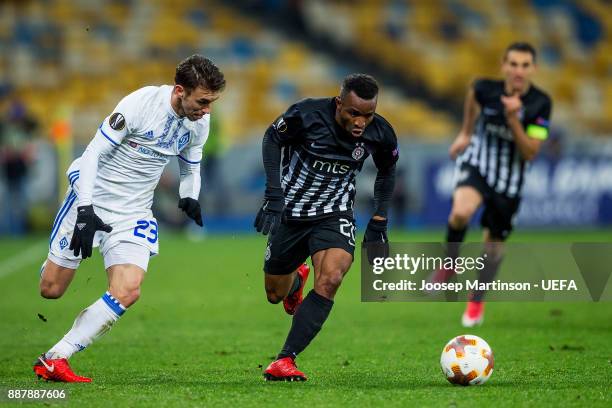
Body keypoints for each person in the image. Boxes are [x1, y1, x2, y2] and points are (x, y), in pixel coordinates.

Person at [33, 55, 225, 382]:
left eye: (212, 102)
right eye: (203, 101)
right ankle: (58, 253)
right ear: (180, 91)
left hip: (134, 212)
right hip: (91, 196)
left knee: (128, 289)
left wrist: (189, 195)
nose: (207, 110)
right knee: (51, 289)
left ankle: (55, 357)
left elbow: (190, 167)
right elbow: (93, 153)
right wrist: (85, 209)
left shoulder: (199, 122)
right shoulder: (140, 104)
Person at [254, 74, 399, 381]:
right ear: (339, 104)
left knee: (332, 277)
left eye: (368, 115)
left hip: (335, 214)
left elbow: (387, 171)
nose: (361, 122)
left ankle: (285, 360)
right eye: (353, 113)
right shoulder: (306, 115)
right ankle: (295, 283)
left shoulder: (381, 132)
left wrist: (380, 218)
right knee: (273, 293)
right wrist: (273, 193)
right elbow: (271, 138)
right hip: (291, 214)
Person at [433, 42, 552, 327]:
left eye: (525, 65)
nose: (519, 71)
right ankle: (449, 264)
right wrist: (465, 133)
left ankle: (476, 300)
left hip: (509, 179)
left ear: (533, 68)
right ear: (504, 65)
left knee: (494, 246)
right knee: (460, 212)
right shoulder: (486, 88)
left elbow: (531, 152)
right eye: (513, 64)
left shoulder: (540, 103)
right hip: (478, 163)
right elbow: (473, 95)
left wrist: (513, 119)